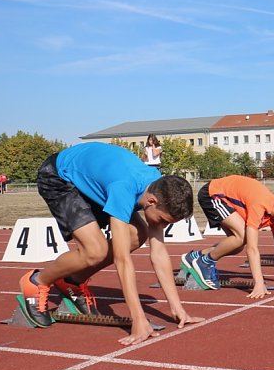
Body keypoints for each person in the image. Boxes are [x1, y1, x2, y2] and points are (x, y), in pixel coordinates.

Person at [18, 142, 202, 345]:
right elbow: (122, 260)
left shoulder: (160, 188)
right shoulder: (124, 188)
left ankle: (71, 280)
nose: (163, 226)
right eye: (164, 221)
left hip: (94, 181)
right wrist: (138, 319)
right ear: (151, 202)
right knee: (95, 251)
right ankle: (37, 281)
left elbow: (158, 253)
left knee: (138, 234)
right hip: (60, 176)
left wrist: (177, 309)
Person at [179, 176, 274, 299]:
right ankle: (204, 262)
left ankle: (195, 256)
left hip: (227, 197)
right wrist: (259, 283)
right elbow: (252, 249)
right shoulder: (260, 205)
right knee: (243, 237)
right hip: (212, 193)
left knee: (236, 246)